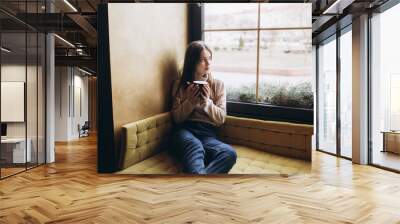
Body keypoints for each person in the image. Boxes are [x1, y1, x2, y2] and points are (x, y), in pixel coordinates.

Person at [170, 40, 237, 174]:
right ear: (192, 62)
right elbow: (176, 119)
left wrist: (207, 102)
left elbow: (220, 119)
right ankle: (201, 184)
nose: (208, 63)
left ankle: (199, 182)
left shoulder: (218, 85)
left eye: (210, 58)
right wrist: (190, 101)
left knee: (229, 153)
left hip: (207, 133)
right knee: (195, 146)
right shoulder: (180, 84)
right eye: (202, 60)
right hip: (184, 131)